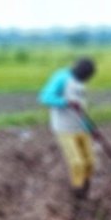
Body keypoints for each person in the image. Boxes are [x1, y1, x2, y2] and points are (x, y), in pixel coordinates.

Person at [37, 58, 98, 199]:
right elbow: (45, 97)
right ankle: (78, 191)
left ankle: (86, 188)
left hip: (80, 127)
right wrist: (65, 102)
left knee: (90, 162)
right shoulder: (62, 78)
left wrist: (91, 129)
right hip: (64, 128)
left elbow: (82, 108)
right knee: (77, 162)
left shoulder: (80, 84)